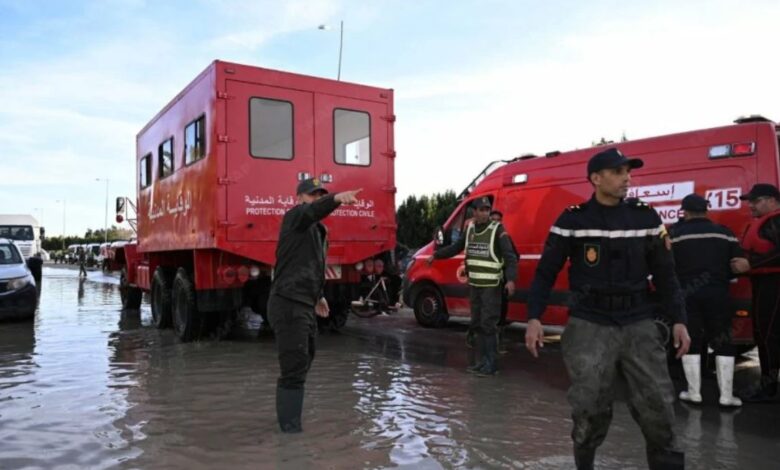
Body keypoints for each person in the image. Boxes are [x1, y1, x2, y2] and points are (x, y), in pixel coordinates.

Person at [525, 148, 690, 470]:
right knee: (589, 408)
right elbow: (546, 272)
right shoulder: (573, 220)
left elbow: (666, 274)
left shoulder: (646, 218)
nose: (627, 178)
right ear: (596, 178)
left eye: (628, 172)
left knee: (658, 407)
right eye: (618, 172)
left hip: (639, 322)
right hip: (589, 324)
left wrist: (679, 320)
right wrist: (534, 317)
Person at [267, 177, 361, 433]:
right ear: (299, 198)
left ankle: (287, 414)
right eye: (312, 195)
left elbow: (314, 265)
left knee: (306, 356)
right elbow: (313, 211)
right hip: (288, 303)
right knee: (294, 367)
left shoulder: (320, 232)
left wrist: (319, 295)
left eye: (321, 195)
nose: (317, 199)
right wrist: (336, 198)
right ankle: (290, 435)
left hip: (305, 304)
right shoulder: (294, 218)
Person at [427, 196, 518, 376]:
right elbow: (455, 248)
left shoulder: (497, 230)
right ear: (474, 212)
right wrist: (436, 255)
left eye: (487, 210)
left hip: (491, 286)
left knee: (488, 324)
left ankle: (491, 365)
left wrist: (510, 279)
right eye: (481, 210)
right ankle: (481, 362)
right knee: (477, 324)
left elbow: (510, 256)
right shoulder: (469, 230)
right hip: (475, 286)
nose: (485, 213)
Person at [669, 193, 745, 407]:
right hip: (718, 292)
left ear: (685, 212)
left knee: (691, 338)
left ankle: (694, 393)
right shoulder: (725, 233)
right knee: (723, 340)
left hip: (687, 294)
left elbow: (666, 266)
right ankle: (726, 396)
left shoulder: (675, 235)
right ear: (706, 210)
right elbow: (738, 264)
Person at [732, 183, 780, 403]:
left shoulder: (775, 221)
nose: (750, 205)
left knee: (768, 335)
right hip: (763, 283)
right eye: (749, 201)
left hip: (774, 284)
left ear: (772, 201)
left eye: (755, 201)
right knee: (763, 334)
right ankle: (767, 384)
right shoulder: (766, 222)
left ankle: (768, 388)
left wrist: (751, 264)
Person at [490, 209, 519, 354]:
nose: (496, 222)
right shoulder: (484, 237)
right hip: (487, 282)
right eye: (493, 220)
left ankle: (498, 342)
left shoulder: (505, 238)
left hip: (501, 281)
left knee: (501, 312)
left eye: (498, 220)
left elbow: (515, 256)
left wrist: (508, 274)